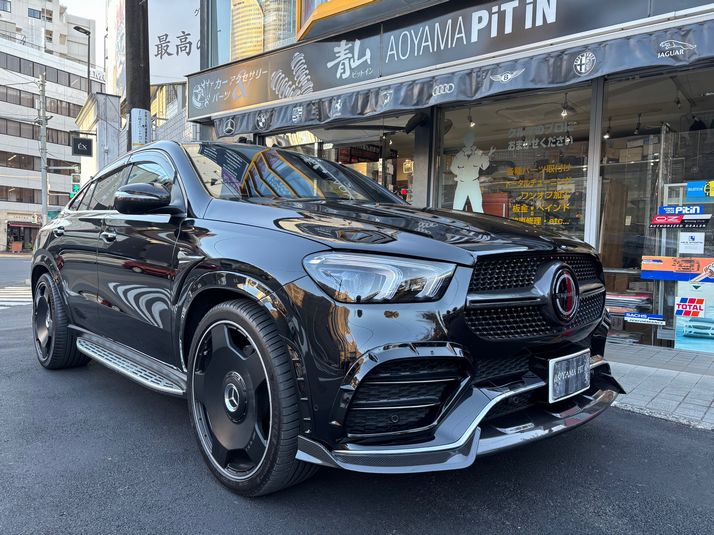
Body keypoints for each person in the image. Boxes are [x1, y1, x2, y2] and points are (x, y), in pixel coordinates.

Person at [451, 130, 494, 213]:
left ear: (473, 140)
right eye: (467, 139)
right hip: (462, 184)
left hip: (473, 184)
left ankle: (479, 222)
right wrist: (461, 173)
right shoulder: (459, 155)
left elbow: (484, 166)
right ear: (464, 141)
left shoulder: (478, 153)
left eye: (470, 139)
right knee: (457, 208)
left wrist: (488, 155)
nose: (468, 141)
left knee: (477, 208)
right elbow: (453, 168)